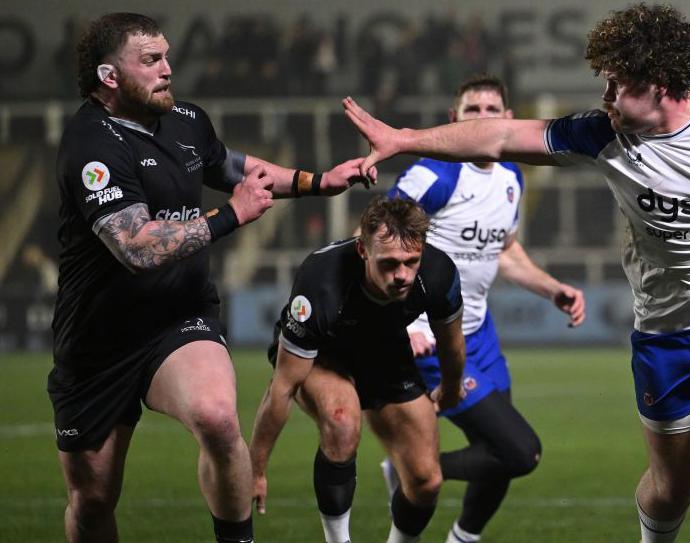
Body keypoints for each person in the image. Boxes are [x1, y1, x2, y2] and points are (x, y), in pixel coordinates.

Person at [343, 4, 690, 542]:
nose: (605, 99)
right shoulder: (600, 135)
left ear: (658, 84)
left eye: (616, 86)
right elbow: (497, 136)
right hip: (669, 334)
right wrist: (402, 139)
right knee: (670, 488)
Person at [49, 13, 367, 543]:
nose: (167, 69)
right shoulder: (91, 145)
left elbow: (235, 169)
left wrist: (320, 181)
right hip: (98, 341)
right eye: (151, 61)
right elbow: (135, 247)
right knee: (93, 499)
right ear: (109, 76)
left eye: (167, 56)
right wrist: (229, 217)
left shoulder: (186, 119)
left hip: (180, 315)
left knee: (218, 418)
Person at [381, 74, 586, 543]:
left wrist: (551, 288)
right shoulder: (436, 173)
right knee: (519, 452)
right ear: (453, 120)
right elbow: (380, 241)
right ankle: (412, 468)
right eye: (472, 110)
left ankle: (460, 536)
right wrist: (408, 321)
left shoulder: (512, 176)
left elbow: (504, 251)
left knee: (495, 453)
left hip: (482, 335)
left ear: (509, 120)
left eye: (492, 110)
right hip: (434, 338)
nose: (483, 118)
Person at [250, 196, 466, 543]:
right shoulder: (321, 281)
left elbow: (452, 344)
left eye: (411, 262)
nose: (402, 276)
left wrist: (452, 388)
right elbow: (283, 387)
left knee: (427, 480)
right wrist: (256, 468)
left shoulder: (438, 273)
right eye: (389, 263)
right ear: (363, 250)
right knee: (342, 420)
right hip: (323, 356)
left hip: (383, 351)